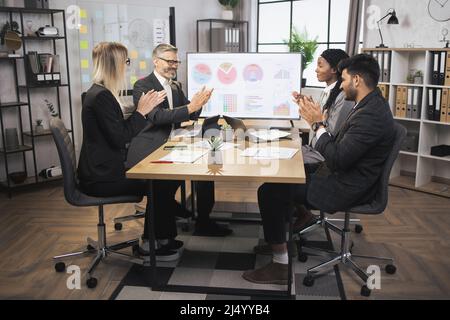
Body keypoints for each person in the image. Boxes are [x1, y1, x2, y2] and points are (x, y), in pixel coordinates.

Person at [243, 53, 395, 284]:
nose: (341, 86)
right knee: (285, 175)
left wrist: (317, 124)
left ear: (356, 80)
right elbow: (340, 151)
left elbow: (338, 159)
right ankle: (280, 239)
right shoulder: (370, 104)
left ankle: (280, 266)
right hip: (345, 173)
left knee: (270, 191)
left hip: (348, 185)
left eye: (343, 80)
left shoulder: (370, 115)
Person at [77, 42, 186, 262]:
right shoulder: (101, 97)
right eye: (125, 62)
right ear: (114, 64)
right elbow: (121, 138)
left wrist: (136, 112)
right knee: (158, 182)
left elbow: (115, 129)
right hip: (100, 177)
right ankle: (151, 244)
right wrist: (141, 112)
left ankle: (163, 237)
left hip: (102, 170)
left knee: (162, 181)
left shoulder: (100, 93)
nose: (127, 66)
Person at [128, 43, 233, 238]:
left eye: (176, 61)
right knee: (163, 187)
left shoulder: (175, 86)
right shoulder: (143, 85)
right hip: (151, 146)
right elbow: (156, 117)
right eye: (170, 61)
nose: (174, 65)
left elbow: (188, 113)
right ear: (156, 61)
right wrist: (191, 107)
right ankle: (160, 235)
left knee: (207, 167)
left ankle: (203, 219)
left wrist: (199, 104)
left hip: (173, 143)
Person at [290, 49, 354, 232]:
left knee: (285, 168)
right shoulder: (329, 92)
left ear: (334, 69)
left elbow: (330, 132)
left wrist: (315, 120)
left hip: (325, 156)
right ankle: (300, 214)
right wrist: (307, 105)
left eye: (320, 65)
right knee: (285, 159)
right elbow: (322, 120)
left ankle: (299, 215)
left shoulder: (343, 97)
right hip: (318, 149)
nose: (316, 70)